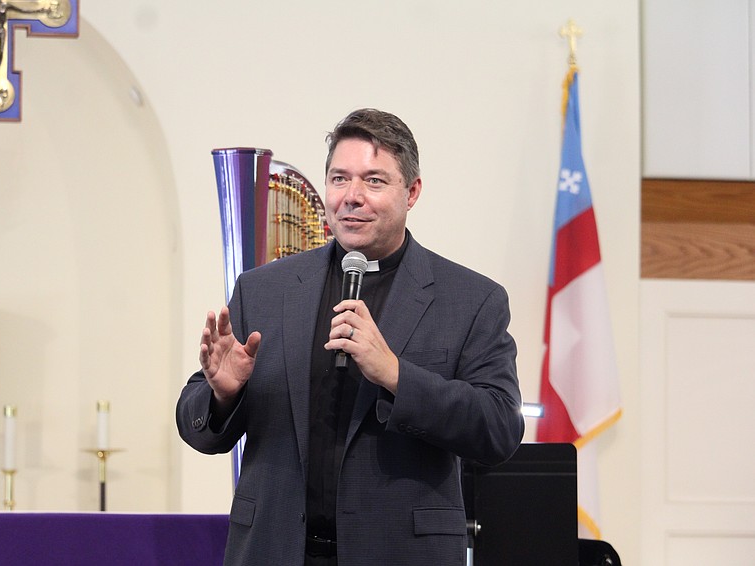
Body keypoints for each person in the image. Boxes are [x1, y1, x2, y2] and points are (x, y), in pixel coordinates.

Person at [176, 108, 524, 566]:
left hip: (400, 555)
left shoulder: (470, 299)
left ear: (412, 192)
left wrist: (396, 375)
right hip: (276, 551)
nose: (352, 197)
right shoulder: (264, 290)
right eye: (339, 179)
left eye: (374, 181)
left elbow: (500, 429)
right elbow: (197, 427)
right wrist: (224, 395)